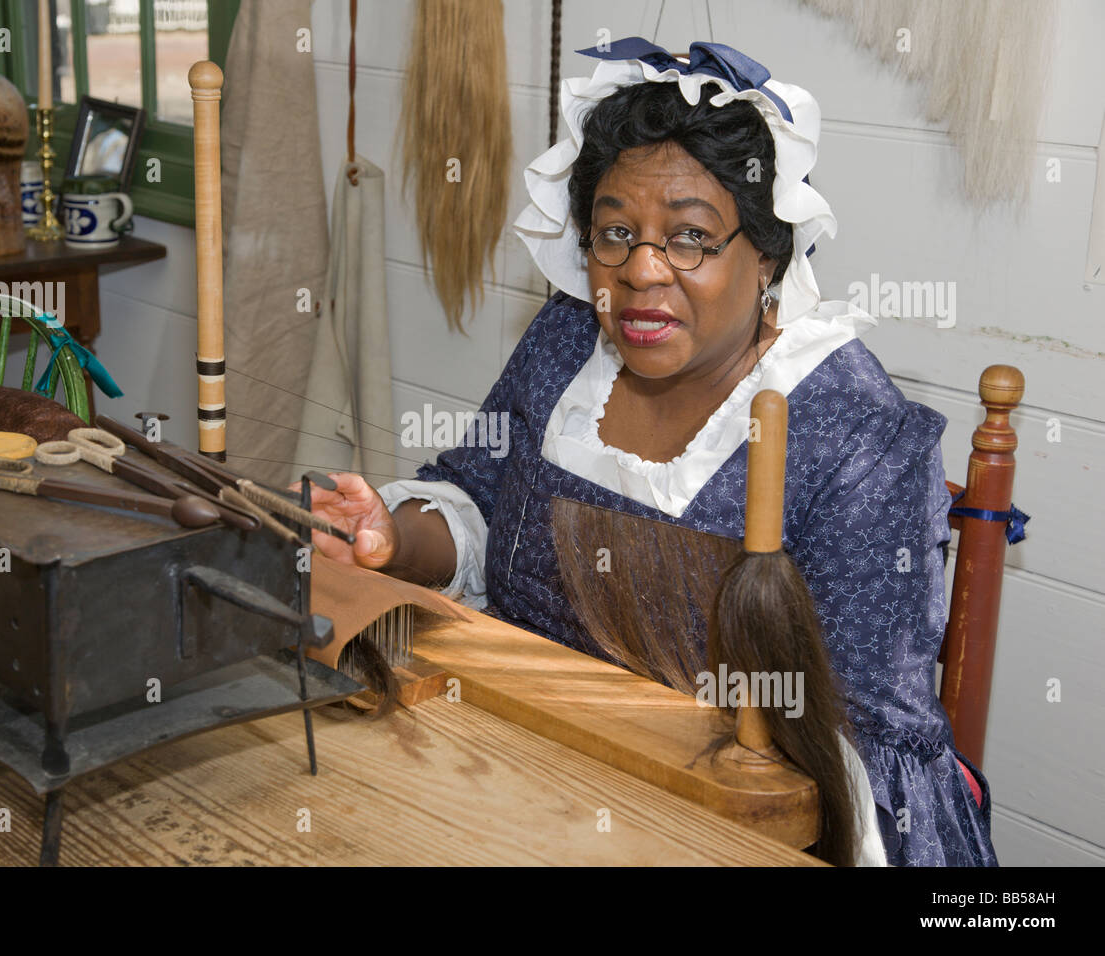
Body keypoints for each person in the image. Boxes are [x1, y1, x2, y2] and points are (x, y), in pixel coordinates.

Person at [304, 39, 996, 867]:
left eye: (691, 239)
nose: (641, 274)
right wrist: (395, 535)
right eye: (615, 233)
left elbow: (860, 755)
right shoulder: (568, 340)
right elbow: (479, 497)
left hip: (732, 827)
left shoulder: (852, 432)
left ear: (769, 253)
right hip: (528, 761)